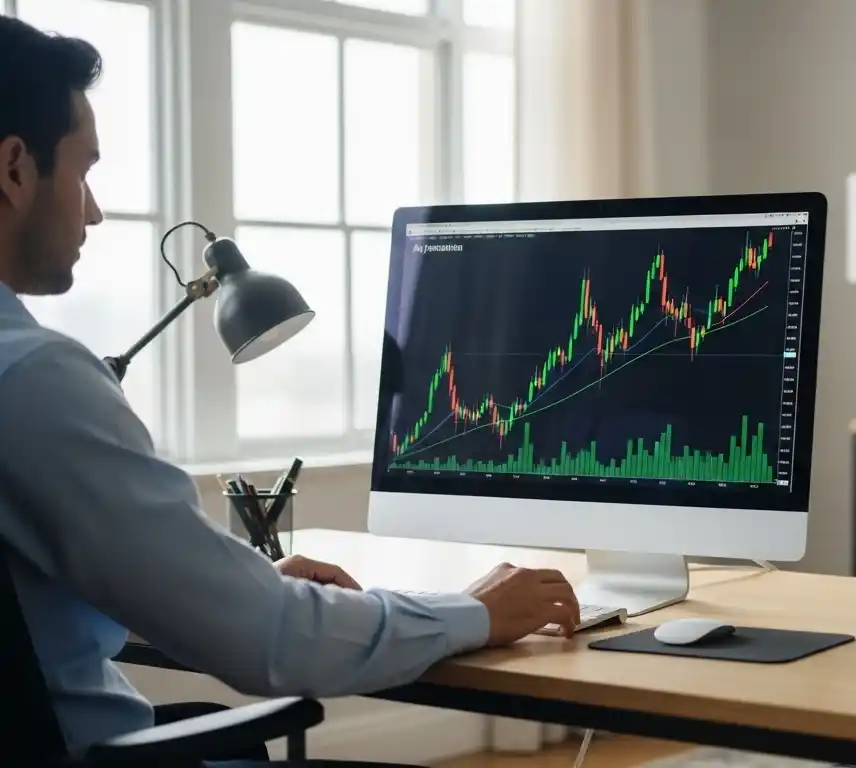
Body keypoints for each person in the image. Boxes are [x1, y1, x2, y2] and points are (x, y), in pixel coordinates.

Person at [0, 15, 580, 762]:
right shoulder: (36, 382)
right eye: (83, 172)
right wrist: (470, 612)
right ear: (14, 169)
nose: (94, 208)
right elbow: (270, 643)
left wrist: (217, 585)